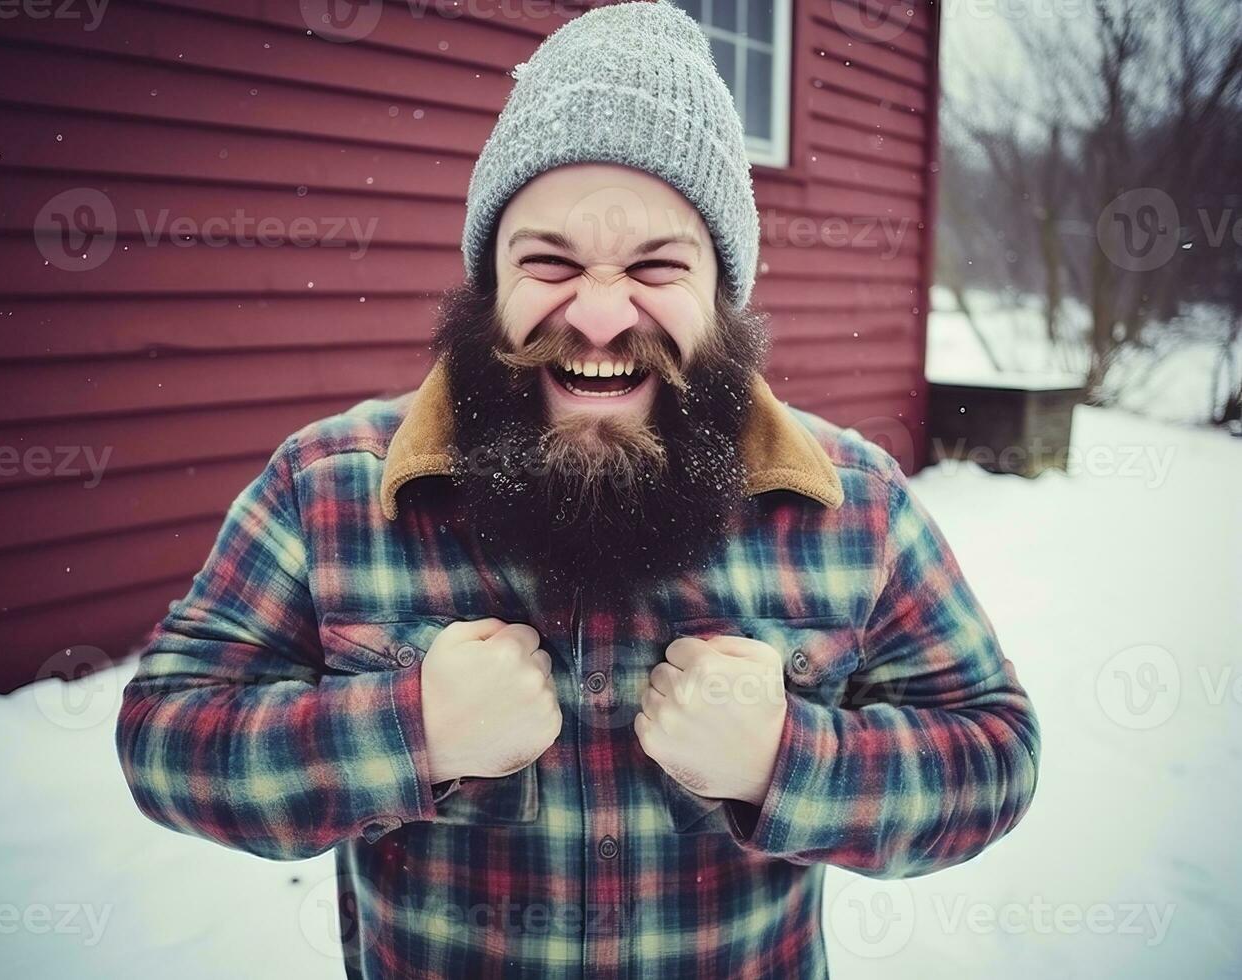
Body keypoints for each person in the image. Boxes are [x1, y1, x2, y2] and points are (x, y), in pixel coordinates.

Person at [116, 3, 1041, 977]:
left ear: (721, 296)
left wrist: (788, 758)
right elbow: (164, 735)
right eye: (549, 261)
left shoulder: (850, 502)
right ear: (489, 284)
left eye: (656, 266)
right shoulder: (328, 484)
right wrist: (406, 729)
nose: (599, 315)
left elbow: (995, 751)